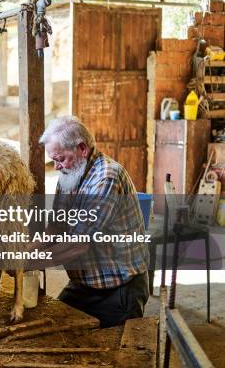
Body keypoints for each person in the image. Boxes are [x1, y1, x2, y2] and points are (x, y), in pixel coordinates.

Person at [35, 115, 150, 328]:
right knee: (55, 328)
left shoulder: (107, 178)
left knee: (112, 353)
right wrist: (25, 251)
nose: (57, 167)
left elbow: (78, 244)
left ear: (82, 149)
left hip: (118, 288)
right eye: (54, 160)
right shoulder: (69, 175)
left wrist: (31, 262)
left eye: (60, 159)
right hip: (85, 285)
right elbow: (56, 226)